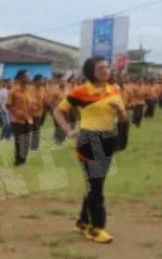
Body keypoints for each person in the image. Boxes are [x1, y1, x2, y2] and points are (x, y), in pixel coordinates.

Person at [53, 56, 127, 244]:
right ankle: (97, 228)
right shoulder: (81, 91)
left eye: (107, 67)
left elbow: (124, 117)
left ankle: (82, 222)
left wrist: (119, 111)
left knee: (96, 184)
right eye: (101, 67)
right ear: (91, 71)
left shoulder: (114, 89)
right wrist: (68, 130)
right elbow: (58, 111)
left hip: (109, 138)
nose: (106, 70)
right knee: (96, 187)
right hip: (89, 140)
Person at [7, 71, 33, 166]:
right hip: (17, 120)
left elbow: (30, 102)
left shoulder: (29, 90)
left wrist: (32, 107)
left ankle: (24, 160)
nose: (28, 78)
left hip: (28, 119)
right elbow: (8, 105)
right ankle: (18, 161)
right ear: (21, 78)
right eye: (26, 76)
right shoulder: (13, 91)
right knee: (19, 140)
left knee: (26, 140)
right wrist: (16, 113)